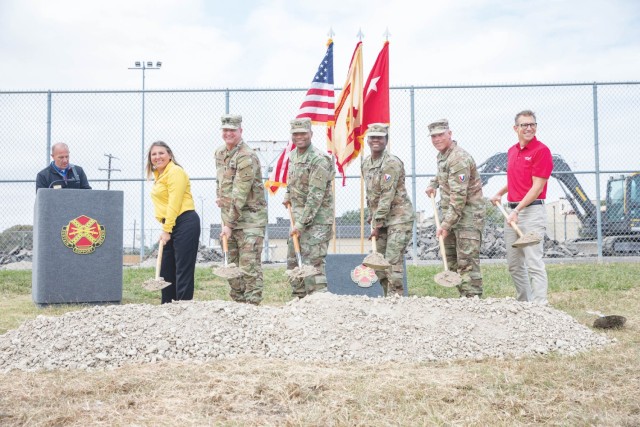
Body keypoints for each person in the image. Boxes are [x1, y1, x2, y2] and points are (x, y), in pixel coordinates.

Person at [490, 110, 553, 304]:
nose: (529, 128)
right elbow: (516, 179)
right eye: (524, 125)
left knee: (533, 261)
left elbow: (537, 187)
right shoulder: (512, 151)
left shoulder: (541, 151)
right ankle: (525, 305)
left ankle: (540, 307)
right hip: (512, 212)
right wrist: (500, 193)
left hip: (531, 212)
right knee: (515, 264)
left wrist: (517, 211)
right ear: (515, 128)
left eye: (532, 124)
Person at [425, 119, 485, 298]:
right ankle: (463, 299)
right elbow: (443, 174)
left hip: (467, 217)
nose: (437, 139)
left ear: (449, 134)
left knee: (467, 262)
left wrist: (445, 225)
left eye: (440, 135)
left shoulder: (458, 158)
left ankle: (472, 301)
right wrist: (433, 184)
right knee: (452, 261)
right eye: (433, 136)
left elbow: (459, 198)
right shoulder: (444, 156)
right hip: (452, 216)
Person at [215, 114, 267, 304]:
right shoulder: (220, 153)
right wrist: (220, 201)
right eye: (225, 130)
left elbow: (240, 193)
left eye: (232, 130)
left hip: (250, 221)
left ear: (240, 131)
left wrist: (228, 224)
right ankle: (238, 307)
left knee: (248, 267)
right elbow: (220, 182)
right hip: (229, 220)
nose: (228, 133)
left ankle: (252, 307)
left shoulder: (247, 156)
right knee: (232, 266)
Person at [283, 117, 335, 298]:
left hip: (317, 221)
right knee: (293, 261)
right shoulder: (293, 156)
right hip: (298, 219)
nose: (299, 137)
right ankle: (299, 300)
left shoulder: (319, 159)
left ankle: (317, 303)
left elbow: (315, 196)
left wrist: (300, 224)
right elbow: (292, 182)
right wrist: (288, 195)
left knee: (313, 263)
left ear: (311, 134)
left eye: (303, 133)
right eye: (296, 134)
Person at [362, 123, 415, 296]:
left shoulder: (391, 163)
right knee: (379, 264)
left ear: (386, 140)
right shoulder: (366, 164)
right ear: (368, 140)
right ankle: (388, 297)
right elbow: (370, 194)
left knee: (392, 260)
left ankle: (396, 299)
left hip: (399, 218)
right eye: (372, 137)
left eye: (380, 137)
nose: (375, 140)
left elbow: (387, 195)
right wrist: (372, 216)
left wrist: (377, 224)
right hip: (380, 219)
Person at [147, 141, 200, 304]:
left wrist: (167, 229)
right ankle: (167, 306)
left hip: (185, 221)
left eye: (161, 153)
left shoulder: (175, 172)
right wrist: (167, 227)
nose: (157, 157)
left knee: (183, 268)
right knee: (166, 269)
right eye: (154, 154)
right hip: (170, 224)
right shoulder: (159, 176)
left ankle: (183, 306)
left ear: (169, 155)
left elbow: (174, 203)